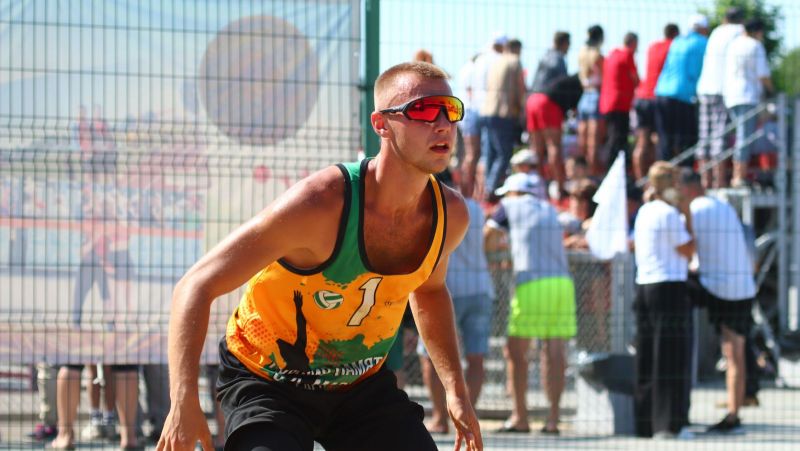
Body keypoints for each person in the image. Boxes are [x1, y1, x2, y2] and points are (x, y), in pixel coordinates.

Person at [156, 61, 482, 451]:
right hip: (268, 379)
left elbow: (429, 291)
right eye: (424, 110)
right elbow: (195, 285)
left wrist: (456, 390)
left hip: (359, 386)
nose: (443, 124)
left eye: (450, 110)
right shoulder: (321, 204)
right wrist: (183, 402)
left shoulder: (450, 215)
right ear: (381, 124)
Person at [485, 173, 576, 434]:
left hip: (531, 282)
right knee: (555, 352)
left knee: (515, 352)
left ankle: (520, 417)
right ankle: (553, 419)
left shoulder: (509, 205)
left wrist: (494, 253)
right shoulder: (549, 208)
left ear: (514, 192)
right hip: (562, 283)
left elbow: (488, 236)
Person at [678, 169, 756, 433]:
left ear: (687, 189)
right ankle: (735, 410)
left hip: (721, 287)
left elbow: (683, 245)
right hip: (742, 286)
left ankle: (731, 414)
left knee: (732, 352)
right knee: (737, 352)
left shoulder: (696, 210)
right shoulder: (722, 206)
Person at [418, 170, 494, 435]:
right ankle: (467, 420)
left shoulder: (430, 205)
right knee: (476, 357)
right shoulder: (474, 208)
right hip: (480, 287)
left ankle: (440, 419)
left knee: (430, 356)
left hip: (446, 288)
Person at [632, 162, 695, 439]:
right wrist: (686, 212)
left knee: (647, 355)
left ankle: (645, 423)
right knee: (670, 356)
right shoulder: (669, 213)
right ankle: (669, 424)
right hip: (668, 287)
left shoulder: (644, 211)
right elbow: (689, 249)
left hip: (645, 285)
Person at [696, 7, 744, 188]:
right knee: (719, 138)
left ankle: (705, 181)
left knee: (705, 137)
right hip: (723, 89)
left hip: (705, 87)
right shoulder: (739, 31)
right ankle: (719, 182)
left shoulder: (716, 31)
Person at [722, 19, 774, 188]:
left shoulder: (733, 44)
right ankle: (739, 176)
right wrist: (772, 90)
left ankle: (737, 174)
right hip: (747, 96)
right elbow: (763, 74)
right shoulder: (755, 45)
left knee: (740, 136)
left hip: (731, 96)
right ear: (757, 31)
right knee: (745, 137)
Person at [654, 15, 709, 163]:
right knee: (685, 142)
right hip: (683, 96)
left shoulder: (678, 41)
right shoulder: (703, 43)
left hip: (661, 92)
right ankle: (684, 174)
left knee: (665, 141)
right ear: (703, 28)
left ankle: (663, 173)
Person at [480, 38, 526, 201]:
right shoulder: (515, 61)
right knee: (504, 154)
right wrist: (522, 110)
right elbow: (520, 90)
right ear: (517, 48)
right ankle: (491, 189)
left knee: (490, 153)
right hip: (504, 112)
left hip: (488, 110)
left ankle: (487, 188)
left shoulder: (495, 62)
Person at [633, 24, 679, 181]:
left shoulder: (653, 46)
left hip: (641, 96)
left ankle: (641, 180)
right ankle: (659, 179)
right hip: (656, 96)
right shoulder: (674, 47)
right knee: (660, 139)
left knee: (642, 143)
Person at [526, 74, 583, 196]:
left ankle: (539, 187)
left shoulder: (572, 80)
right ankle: (560, 188)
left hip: (532, 100)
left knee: (537, 149)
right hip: (548, 102)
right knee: (554, 146)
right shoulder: (582, 85)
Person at [599, 32, 639, 171]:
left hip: (607, 103)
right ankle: (614, 169)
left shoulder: (611, 55)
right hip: (620, 103)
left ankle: (613, 168)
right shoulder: (627, 54)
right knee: (618, 139)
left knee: (613, 137)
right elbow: (635, 78)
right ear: (634, 43)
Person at [576, 25, 605, 176]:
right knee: (593, 142)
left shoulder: (582, 54)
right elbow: (604, 78)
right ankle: (592, 175)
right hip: (596, 95)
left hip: (584, 95)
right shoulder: (598, 56)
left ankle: (582, 173)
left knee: (582, 140)